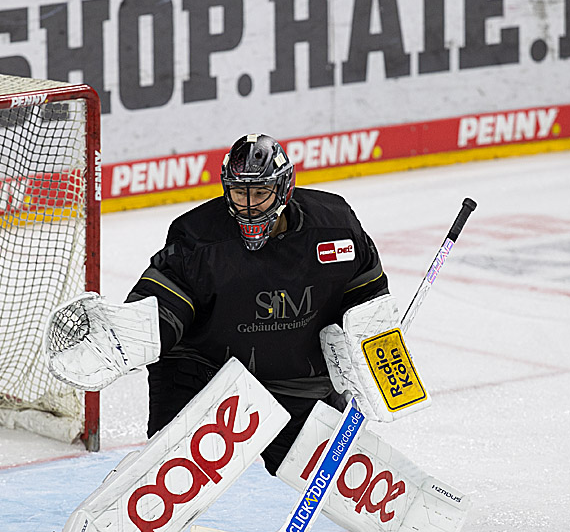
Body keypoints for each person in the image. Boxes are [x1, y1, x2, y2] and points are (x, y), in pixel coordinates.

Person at [125, 132, 389, 475]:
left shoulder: (334, 226)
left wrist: (379, 363)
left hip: (299, 382)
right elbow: (165, 303)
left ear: (284, 189)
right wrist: (131, 333)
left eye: (260, 192)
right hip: (208, 379)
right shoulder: (198, 236)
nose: (248, 204)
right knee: (168, 476)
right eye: (239, 192)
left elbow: (368, 301)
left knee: (338, 477)